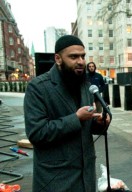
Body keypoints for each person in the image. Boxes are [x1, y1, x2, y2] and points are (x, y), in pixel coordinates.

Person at [24, 35, 110, 191]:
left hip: (86, 179)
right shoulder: (38, 88)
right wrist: (76, 118)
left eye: (83, 56)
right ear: (58, 58)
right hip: (56, 179)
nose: (81, 61)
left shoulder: (85, 85)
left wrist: (99, 124)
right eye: (73, 57)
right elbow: (36, 133)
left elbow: (86, 126)